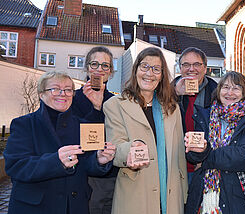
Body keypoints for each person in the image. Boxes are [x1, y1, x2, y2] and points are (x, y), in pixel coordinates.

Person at [4, 71, 116, 214]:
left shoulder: (82, 125)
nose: (62, 94)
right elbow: (16, 166)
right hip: (35, 208)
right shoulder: (24, 124)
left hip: (74, 207)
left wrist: (99, 160)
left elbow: (87, 165)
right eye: (55, 89)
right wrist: (56, 161)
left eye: (68, 90)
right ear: (41, 94)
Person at [103, 47, 187, 214]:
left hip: (171, 196)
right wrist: (131, 149)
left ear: (162, 75)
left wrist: (183, 193)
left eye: (156, 69)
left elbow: (179, 156)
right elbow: (116, 147)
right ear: (135, 70)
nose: (150, 73)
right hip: (135, 194)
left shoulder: (172, 108)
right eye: (145, 66)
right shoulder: (115, 105)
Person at [185, 72, 245, 214]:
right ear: (218, 91)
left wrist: (206, 156)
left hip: (238, 193)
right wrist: (196, 152)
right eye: (225, 87)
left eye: (236, 88)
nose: (230, 92)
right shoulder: (204, 115)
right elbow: (193, 157)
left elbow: (243, 156)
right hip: (203, 192)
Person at [71, 46, 117, 214]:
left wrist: (99, 107)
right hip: (78, 175)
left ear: (110, 71)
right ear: (87, 67)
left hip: (105, 178)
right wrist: (95, 110)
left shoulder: (115, 102)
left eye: (105, 65)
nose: (99, 69)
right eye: (94, 64)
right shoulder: (71, 98)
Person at [173, 47, 218, 183]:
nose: (191, 69)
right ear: (180, 68)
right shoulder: (168, 91)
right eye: (186, 65)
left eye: (197, 64)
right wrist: (174, 94)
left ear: (205, 68)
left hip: (204, 165)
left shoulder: (216, 93)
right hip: (175, 164)